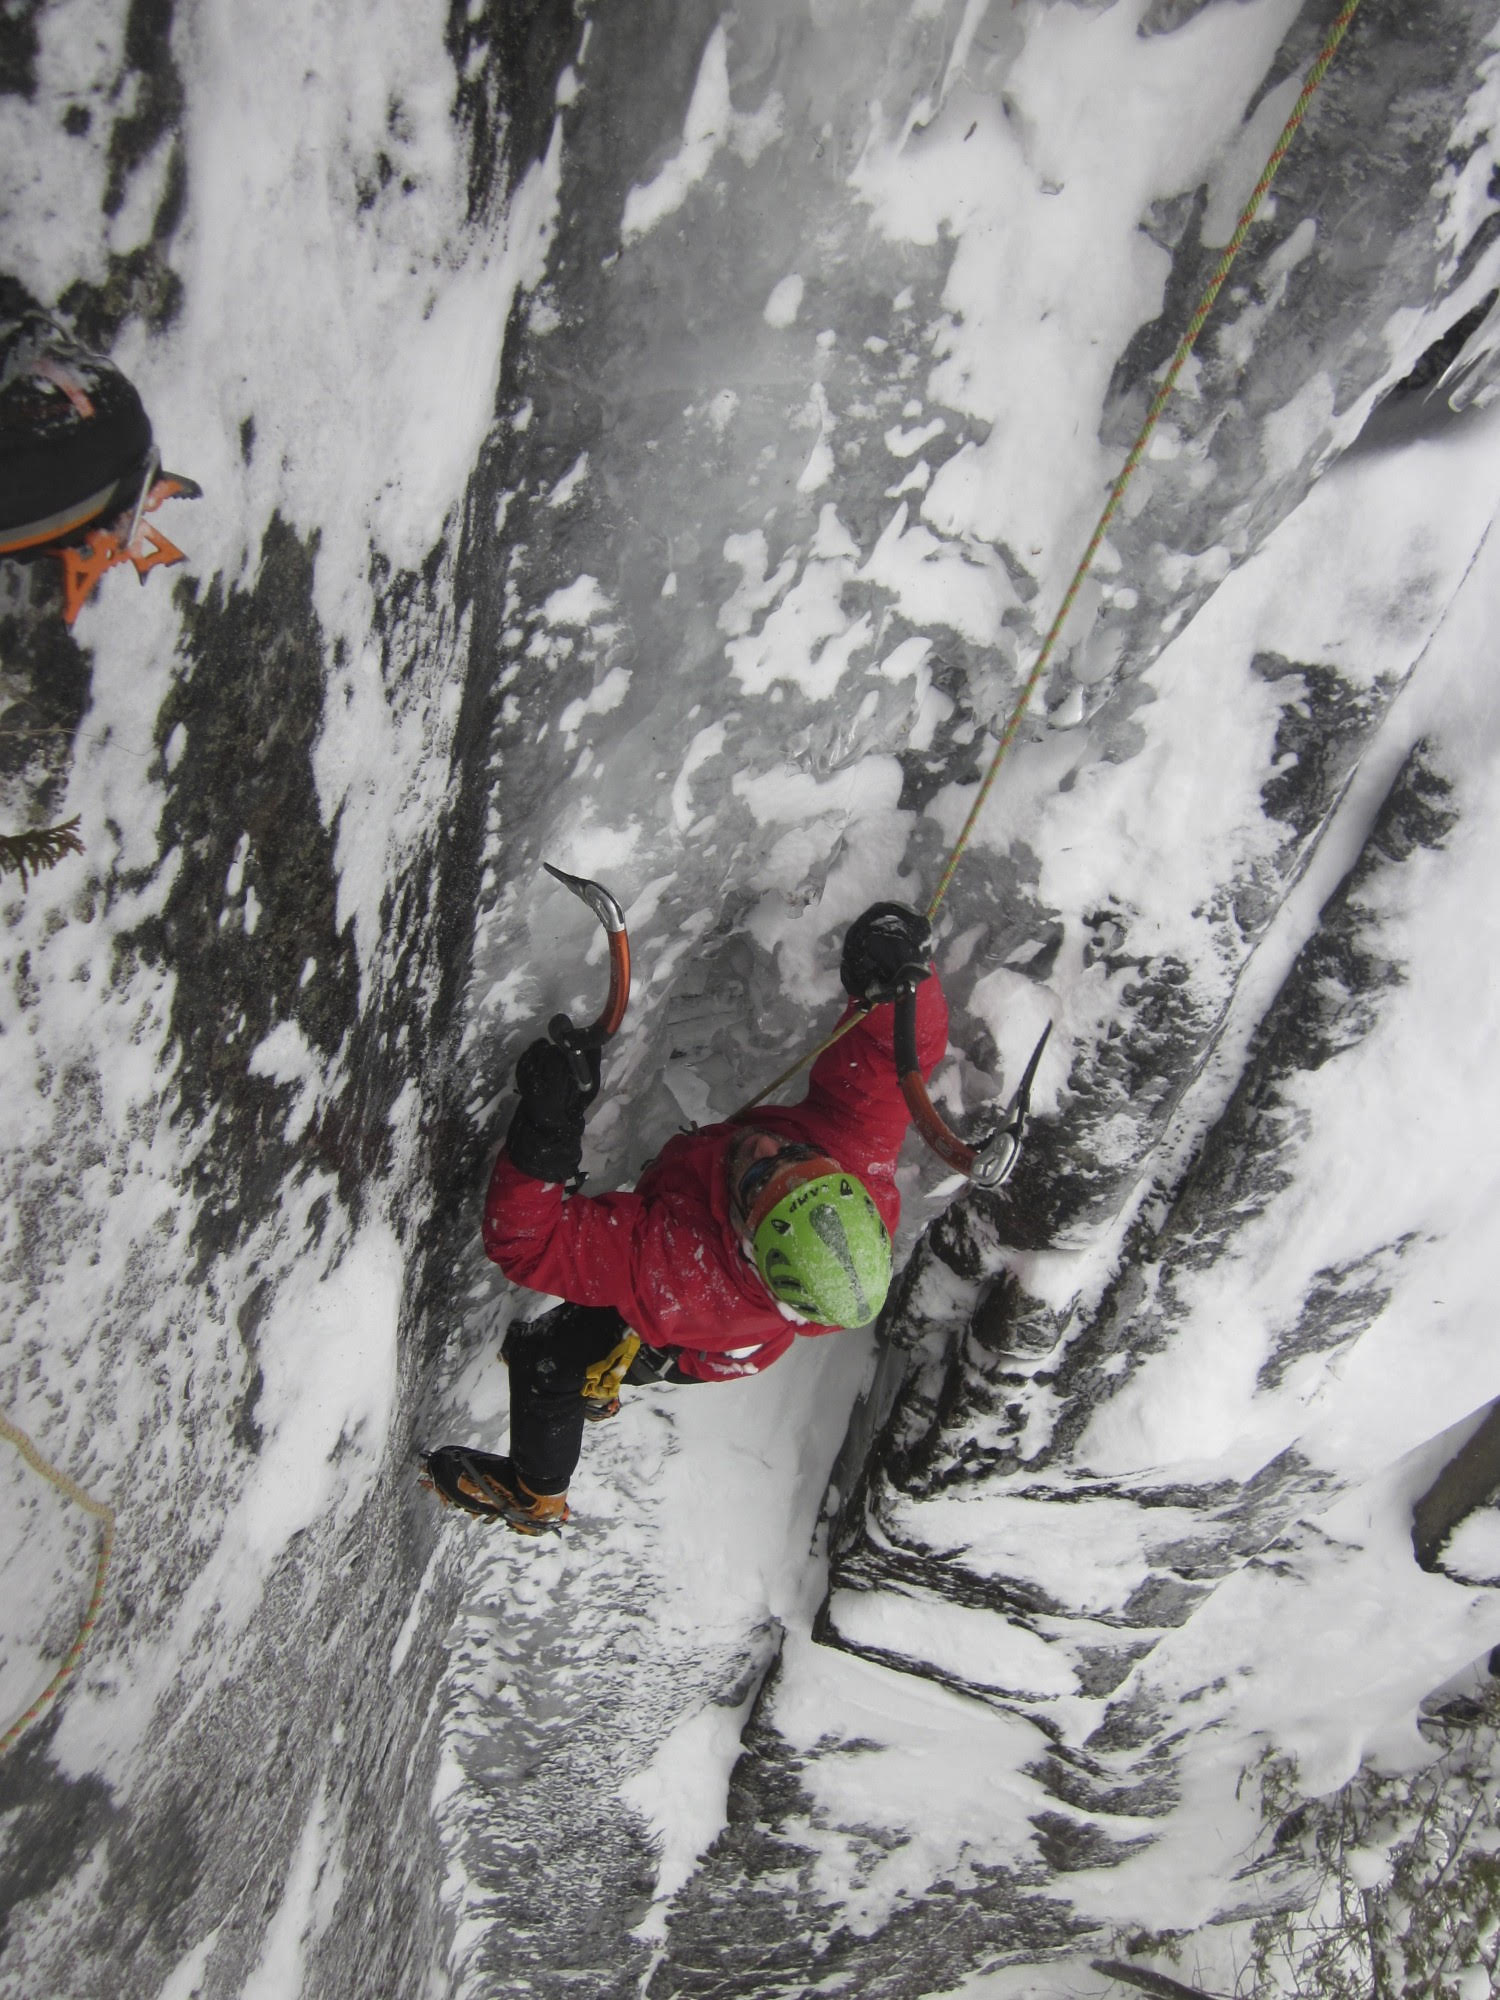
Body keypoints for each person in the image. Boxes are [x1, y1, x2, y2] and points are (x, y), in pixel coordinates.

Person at [422, 902, 948, 1534]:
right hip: (753, 1323)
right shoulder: (853, 1168)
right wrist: (897, 983)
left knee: (547, 1362)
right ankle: (605, 1376)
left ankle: (536, 1496)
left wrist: (545, 1136)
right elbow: (893, 1065)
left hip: (695, 1340)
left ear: (750, 1245)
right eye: (799, 1158)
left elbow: (529, 1243)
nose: (766, 1148)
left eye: (758, 1183)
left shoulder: (683, 1271)